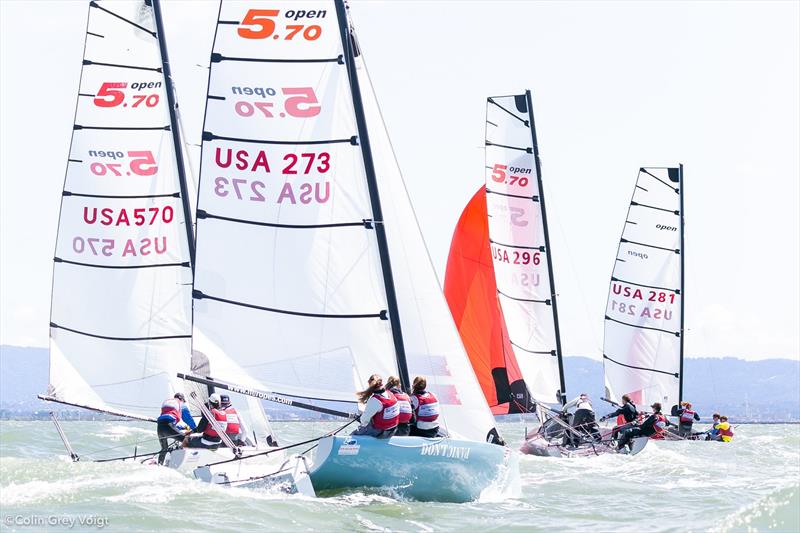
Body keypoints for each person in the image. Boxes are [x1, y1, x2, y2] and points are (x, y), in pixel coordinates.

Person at [351, 374, 399, 438]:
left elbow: (364, 421)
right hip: (393, 430)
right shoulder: (391, 394)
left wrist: (363, 419)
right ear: (382, 383)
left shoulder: (375, 400)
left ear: (369, 383)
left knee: (352, 436)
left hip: (380, 432)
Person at [156, 392, 195, 465]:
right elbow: (188, 419)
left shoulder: (167, 401)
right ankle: (179, 462)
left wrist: (182, 427)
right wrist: (196, 429)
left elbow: (168, 418)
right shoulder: (180, 403)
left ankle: (159, 464)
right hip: (169, 426)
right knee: (186, 441)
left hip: (160, 427)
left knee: (164, 449)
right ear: (182, 399)